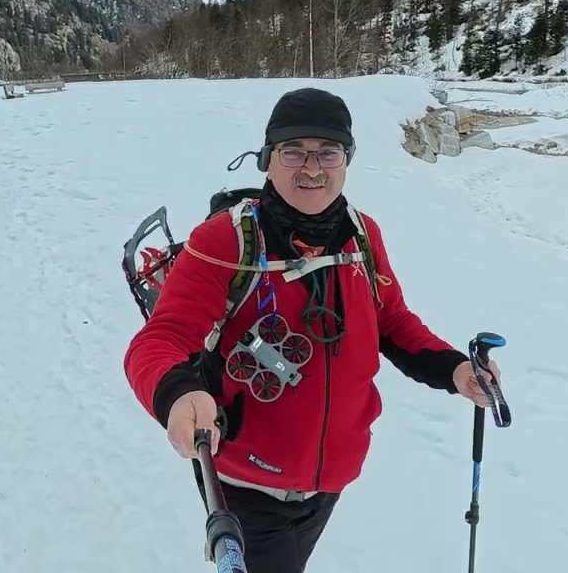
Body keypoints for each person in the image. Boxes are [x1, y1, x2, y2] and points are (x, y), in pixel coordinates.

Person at [122, 87, 503, 573]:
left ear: (348, 159)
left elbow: (390, 320)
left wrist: (454, 370)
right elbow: (159, 340)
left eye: (328, 152)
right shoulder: (224, 240)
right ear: (267, 160)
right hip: (246, 482)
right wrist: (176, 395)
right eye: (293, 151)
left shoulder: (363, 234)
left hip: (330, 479)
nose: (312, 167)